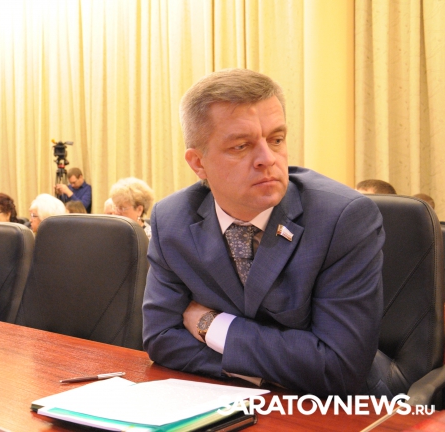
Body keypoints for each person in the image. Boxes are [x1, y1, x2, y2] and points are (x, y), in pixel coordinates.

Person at [142, 68, 385, 398]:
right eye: (241, 146)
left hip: (345, 410)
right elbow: (161, 339)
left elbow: (338, 368)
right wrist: (270, 373)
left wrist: (211, 325)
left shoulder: (342, 218)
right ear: (198, 163)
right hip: (227, 401)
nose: (268, 159)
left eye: (276, 140)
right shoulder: (172, 220)